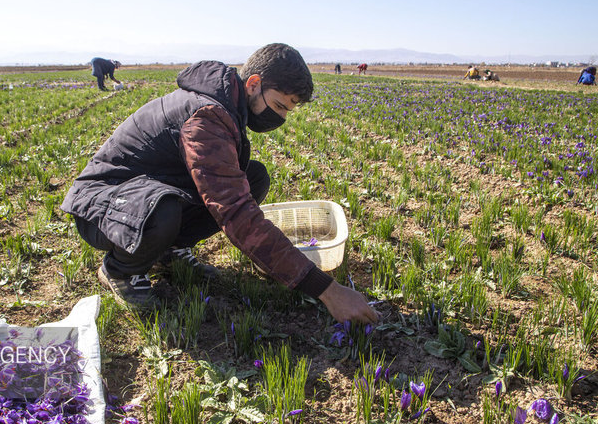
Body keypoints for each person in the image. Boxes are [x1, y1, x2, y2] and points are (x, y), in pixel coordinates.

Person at [61, 43, 377, 325]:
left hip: (141, 197)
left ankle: (165, 250)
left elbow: (227, 190)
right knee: (164, 210)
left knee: (252, 177)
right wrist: (326, 289)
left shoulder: (224, 106)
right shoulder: (207, 116)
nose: (280, 117)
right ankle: (120, 270)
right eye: (280, 106)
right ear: (254, 84)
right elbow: (236, 213)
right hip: (102, 209)